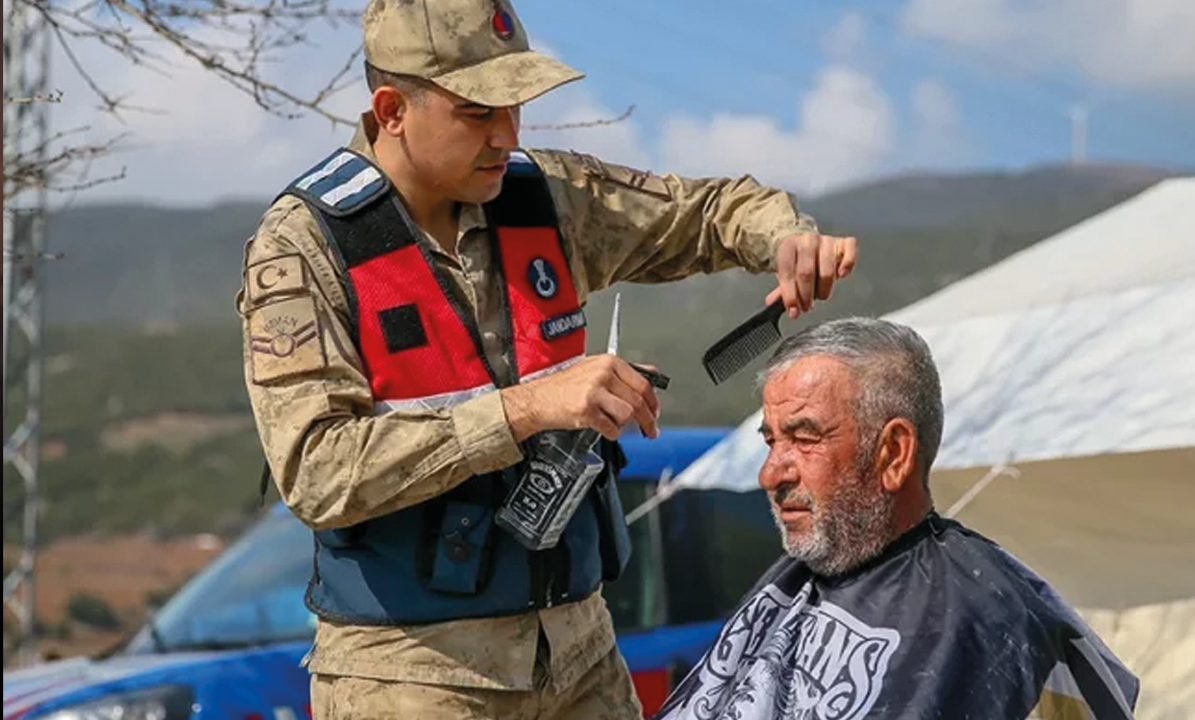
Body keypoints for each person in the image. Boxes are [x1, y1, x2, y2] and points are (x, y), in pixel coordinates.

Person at [234, 0, 858, 718]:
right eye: (478, 111)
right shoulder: (301, 248)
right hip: (410, 677)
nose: (506, 134)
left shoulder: (542, 196)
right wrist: (531, 407)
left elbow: (706, 210)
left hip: (581, 651)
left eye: (517, 106)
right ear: (391, 109)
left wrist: (784, 237)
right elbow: (316, 472)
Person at [652, 317, 1140, 720]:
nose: (769, 474)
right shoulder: (794, 584)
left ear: (893, 453)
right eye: (771, 441)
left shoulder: (986, 618)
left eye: (804, 438)